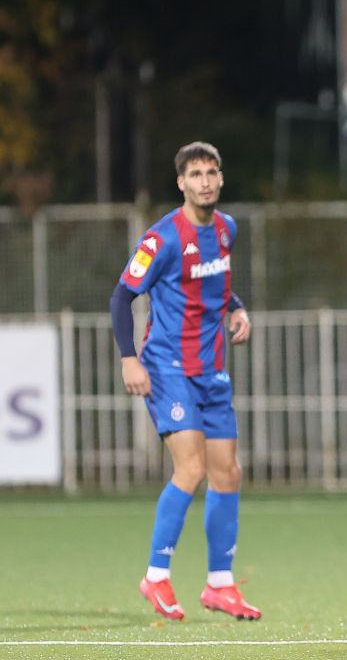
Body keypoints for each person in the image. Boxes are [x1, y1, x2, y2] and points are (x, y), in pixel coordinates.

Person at [111, 141, 261, 621]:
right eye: (195, 174)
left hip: (212, 371)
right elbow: (120, 299)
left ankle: (219, 585)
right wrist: (128, 360)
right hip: (167, 368)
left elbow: (212, 281)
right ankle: (155, 576)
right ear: (181, 183)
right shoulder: (161, 239)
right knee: (191, 469)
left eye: (211, 172)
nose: (205, 181)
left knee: (228, 473)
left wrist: (236, 309)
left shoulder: (225, 229)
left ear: (220, 177)